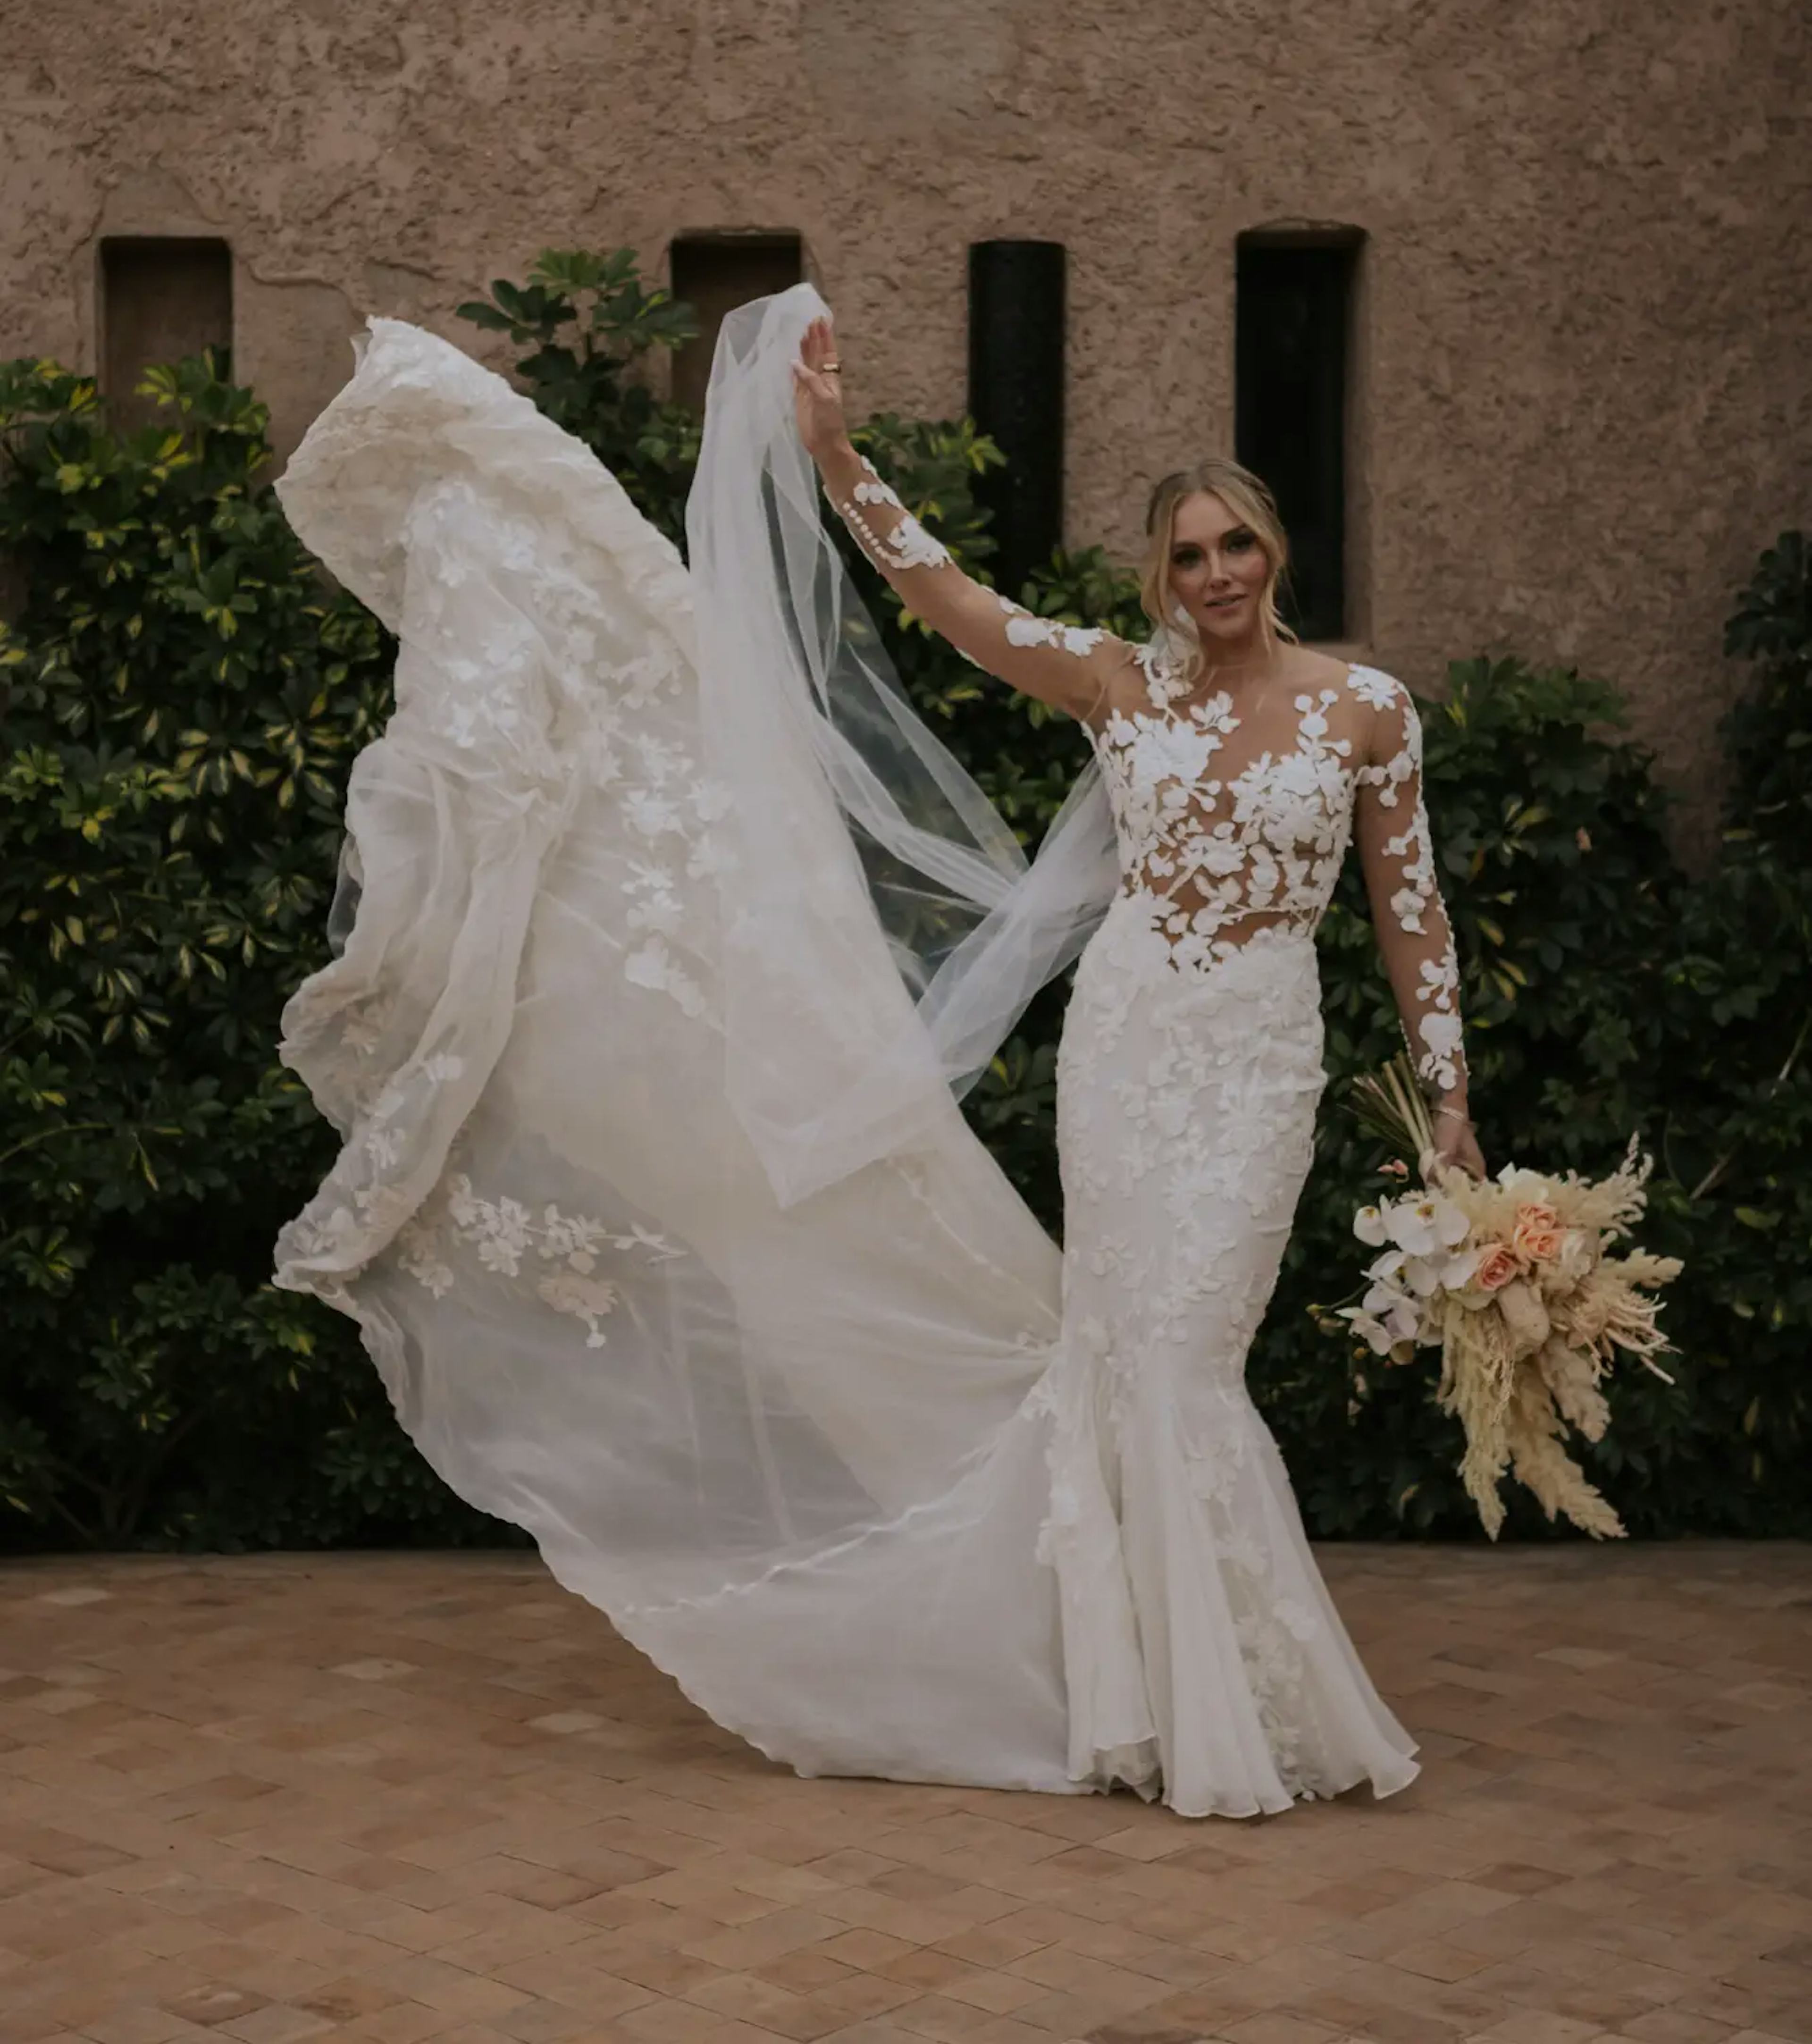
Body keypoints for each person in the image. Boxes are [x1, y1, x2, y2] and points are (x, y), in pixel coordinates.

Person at [272, 282, 1480, 1821]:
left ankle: (1232, 1700)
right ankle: (1148, 1709)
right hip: (1127, 1046)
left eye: (1237, 544)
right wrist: (841, 460)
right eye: (1189, 553)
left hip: (1258, 1062)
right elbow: (952, 603)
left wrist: (1449, 1102)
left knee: (1184, 1356)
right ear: (1160, 575)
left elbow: (1411, 914)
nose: (1218, 572)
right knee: (1115, 1361)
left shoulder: (1366, 712)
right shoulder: (1121, 685)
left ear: (1276, 554)